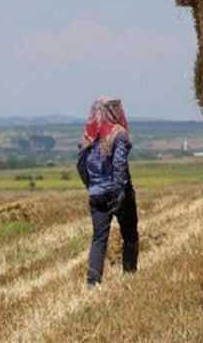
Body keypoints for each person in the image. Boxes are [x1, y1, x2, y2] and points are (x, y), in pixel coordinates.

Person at [77, 97, 139, 286]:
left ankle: (92, 283)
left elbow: (80, 166)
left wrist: (91, 185)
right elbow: (119, 165)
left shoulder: (88, 135)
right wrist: (120, 191)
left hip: (96, 194)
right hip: (118, 193)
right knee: (129, 234)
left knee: (99, 239)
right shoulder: (118, 133)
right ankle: (129, 275)